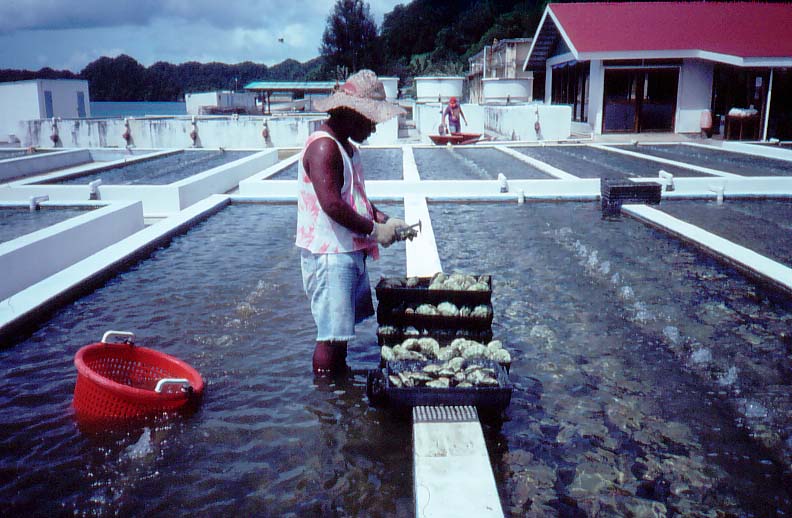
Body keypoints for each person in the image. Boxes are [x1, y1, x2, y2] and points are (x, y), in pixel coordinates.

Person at [297, 69, 406, 376]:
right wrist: (375, 230)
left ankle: (338, 390)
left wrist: (384, 219)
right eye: (370, 120)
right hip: (330, 255)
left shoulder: (347, 147)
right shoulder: (324, 147)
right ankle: (328, 401)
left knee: (341, 333)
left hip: (347, 250)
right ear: (351, 112)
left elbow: (354, 197)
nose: (373, 127)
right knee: (330, 337)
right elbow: (332, 204)